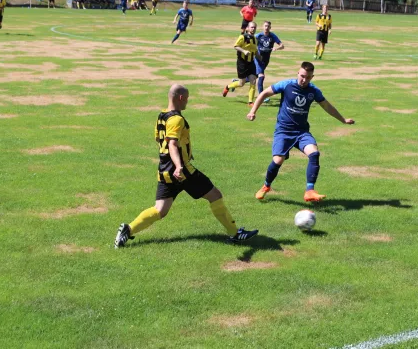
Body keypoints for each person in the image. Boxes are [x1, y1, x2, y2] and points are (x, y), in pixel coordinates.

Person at [114, 84, 259, 248]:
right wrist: (179, 165)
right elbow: (173, 144)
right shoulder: (177, 119)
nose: (187, 102)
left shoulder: (162, 116)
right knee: (215, 195)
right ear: (181, 98)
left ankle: (128, 229)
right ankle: (235, 234)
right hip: (182, 171)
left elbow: (160, 140)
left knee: (160, 209)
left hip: (164, 170)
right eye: (187, 98)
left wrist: (185, 152)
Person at [247, 62, 355, 202]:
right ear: (298, 73)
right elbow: (264, 93)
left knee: (314, 153)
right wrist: (252, 111)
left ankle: (309, 191)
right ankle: (266, 186)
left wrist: (343, 120)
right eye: (302, 76)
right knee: (278, 160)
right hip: (284, 131)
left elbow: (327, 106)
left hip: (302, 132)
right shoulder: (286, 85)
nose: (304, 80)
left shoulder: (313, 91)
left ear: (312, 77)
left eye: (308, 77)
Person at [222, 21, 261, 105]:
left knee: (253, 81)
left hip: (251, 63)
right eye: (252, 27)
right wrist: (244, 51)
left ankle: (250, 102)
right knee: (241, 83)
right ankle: (228, 87)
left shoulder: (255, 39)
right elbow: (235, 46)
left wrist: (259, 57)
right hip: (242, 63)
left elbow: (255, 50)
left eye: (255, 27)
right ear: (247, 28)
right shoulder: (242, 37)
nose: (253, 29)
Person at [254, 21, 284, 101]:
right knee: (261, 76)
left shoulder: (272, 36)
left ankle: (236, 82)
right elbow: (251, 43)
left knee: (254, 77)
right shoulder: (258, 36)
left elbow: (282, 46)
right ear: (262, 27)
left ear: (270, 28)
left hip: (266, 60)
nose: (266, 28)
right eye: (265, 26)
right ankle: (262, 96)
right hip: (258, 58)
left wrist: (276, 48)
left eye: (268, 26)